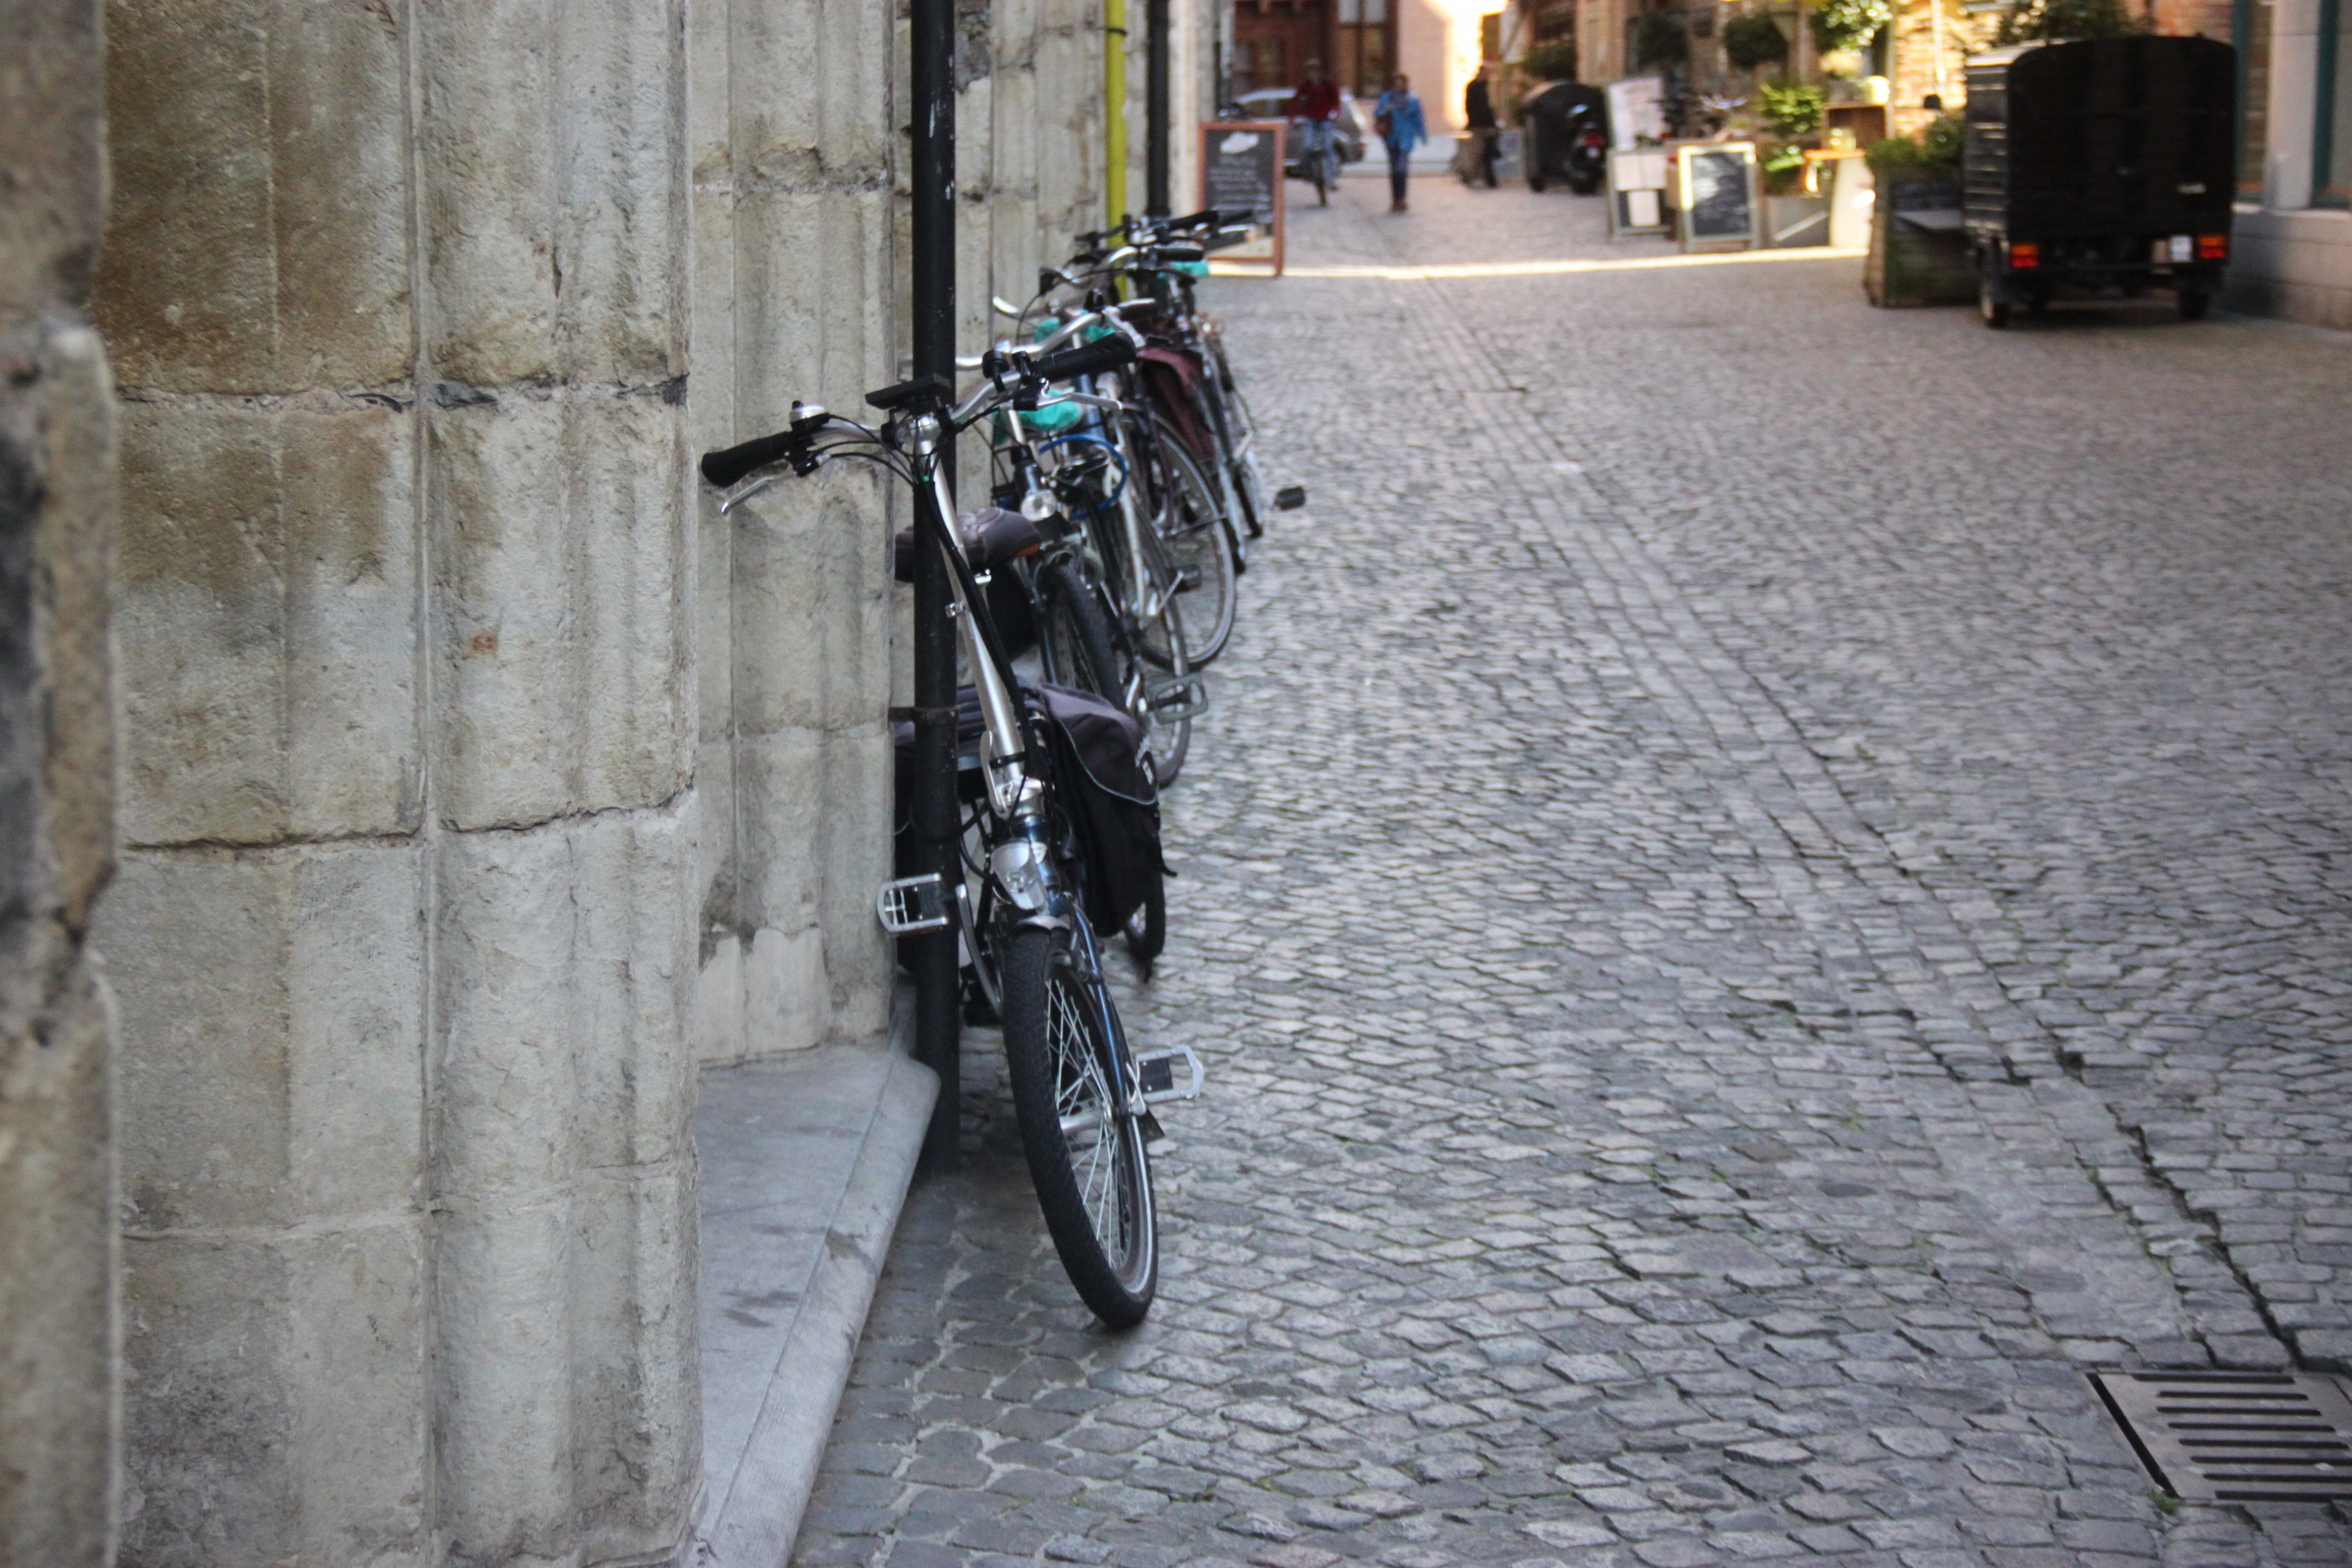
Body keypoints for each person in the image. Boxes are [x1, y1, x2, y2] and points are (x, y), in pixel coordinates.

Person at [1374, 73, 1429, 212]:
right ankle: (1395, 200)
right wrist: (1385, 109)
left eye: (1401, 83)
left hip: (1406, 136)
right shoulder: (1388, 97)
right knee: (1394, 169)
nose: (1399, 86)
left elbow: (1418, 117)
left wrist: (1422, 135)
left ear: (1405, 84)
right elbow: (1378, 112)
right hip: (1391, 137)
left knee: (1401, 168)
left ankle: (1402, 199)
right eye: (1397, 83)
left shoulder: (1412, 99)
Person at [1289, 60, 1342, 184]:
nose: (1312, 74)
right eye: (1309, 71)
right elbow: (1295, 99)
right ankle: (1307, 173)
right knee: (1307, 146)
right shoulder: (1306, 85)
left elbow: (1336, 100)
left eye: (1314, 71)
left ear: (1319, 71)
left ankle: (1332, 178)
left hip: (1325, 119)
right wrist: (1292, 116)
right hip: (1311, 119)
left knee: (1328, 147)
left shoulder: (1327, 83)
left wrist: (1335, 113)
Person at [1464, 72, 1498, 188]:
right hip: (1478, 124)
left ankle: (1486, 178)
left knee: (1486, 151)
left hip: (1486, 124)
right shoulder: (1475, 87)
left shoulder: (1486, 86)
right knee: (1477, 151)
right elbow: (1470, 106)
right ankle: (1472, 176)